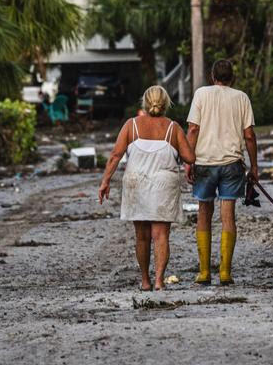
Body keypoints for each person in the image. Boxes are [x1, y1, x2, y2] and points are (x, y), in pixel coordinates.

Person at [98, 86, 195, 291]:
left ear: (144, 102)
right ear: (167, 103)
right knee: (160, 236)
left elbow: (116, 155)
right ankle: (159, 281)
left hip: (136, 183)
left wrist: (105, 181)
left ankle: (145, 281)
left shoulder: (131, 125)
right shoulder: (173, 128)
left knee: (141, 236)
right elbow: (189, 158)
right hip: (163, 185)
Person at [186, 59, 258, 285]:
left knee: (203, 215)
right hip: (232, 164)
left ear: (212, 76)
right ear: (232, 77)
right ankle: (225, 272)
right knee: (228, 217)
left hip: (205, 163)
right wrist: (254, 166)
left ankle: (205, 272)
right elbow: (249, 135)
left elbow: (193, 129)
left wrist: (188, 161)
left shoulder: (201, 94)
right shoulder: (241, 98)